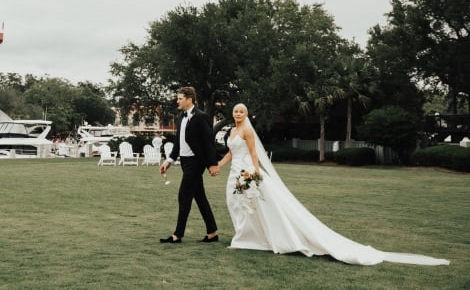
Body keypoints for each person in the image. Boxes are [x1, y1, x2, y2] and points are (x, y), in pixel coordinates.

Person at [217, 103, 450, 266]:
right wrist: (219, 164)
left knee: (251, 205)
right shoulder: (233, 130)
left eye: (242, 111)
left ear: (246, 114)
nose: (238, 113)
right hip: (235, 171)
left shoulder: (247, 130)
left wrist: (255, 172)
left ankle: (251, 238)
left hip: (248, 172)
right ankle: (248, 236)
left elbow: (253, 153)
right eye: (236, 111)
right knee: (235, 203)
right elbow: (231, 151)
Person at [160, 86, 220, 244]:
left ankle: (177, 235)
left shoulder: (201, 117)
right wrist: (169, 161)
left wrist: (212, 164)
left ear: (189, 99)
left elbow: (209, 142)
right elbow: (178, 144)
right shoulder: (181, 117)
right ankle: (212, 232)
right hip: (185, 162)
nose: (177, 101)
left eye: (180, 98)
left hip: (196, 162)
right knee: (199, 197)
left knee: (184, 195)